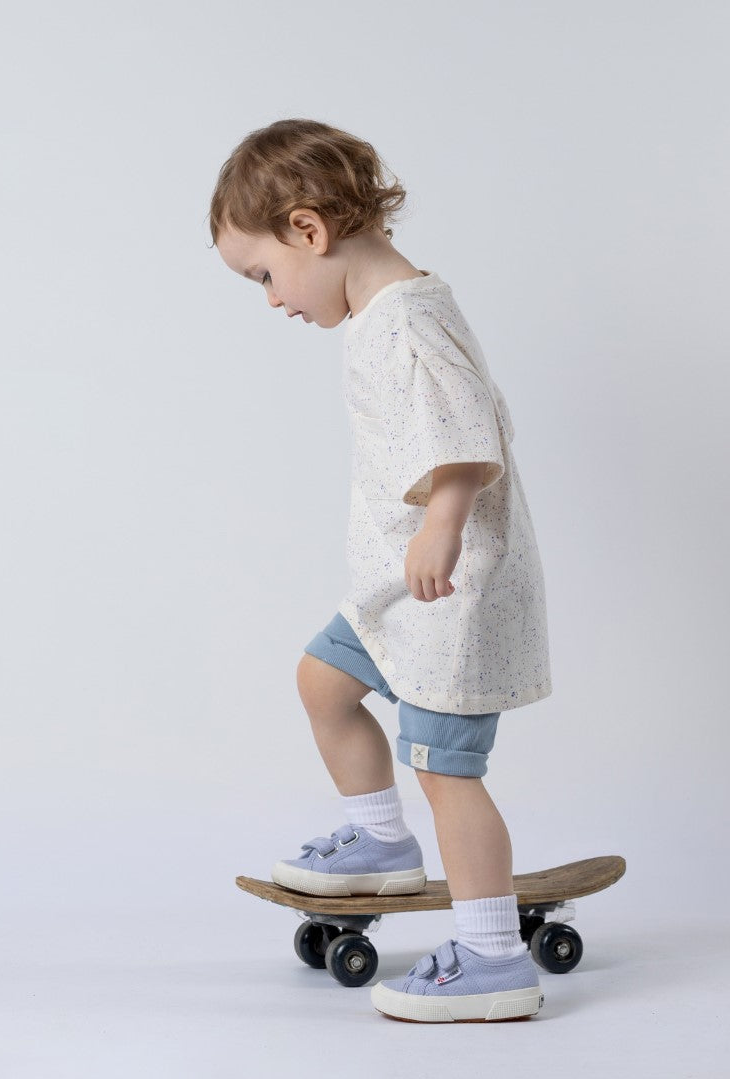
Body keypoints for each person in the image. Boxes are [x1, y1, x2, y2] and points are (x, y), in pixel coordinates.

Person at [208, 119, 553, 1024]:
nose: (273, 300)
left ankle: (492, 957)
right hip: (393, 592)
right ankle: (379, 841)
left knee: (446, 769)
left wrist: (444, 520)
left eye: (264, 276)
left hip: (449, 591)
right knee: (324, 679)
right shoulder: (374, 316)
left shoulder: (408, 314)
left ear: (308, 230)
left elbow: (472, 425)